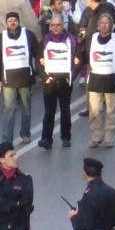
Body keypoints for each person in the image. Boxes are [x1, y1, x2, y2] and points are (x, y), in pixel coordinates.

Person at [0, 12, 39, 146]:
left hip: (25, 78)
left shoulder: (28, 35)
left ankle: (25, 133)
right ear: (6, 23)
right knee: (9, 109)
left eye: (15, 20)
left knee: (26, 108)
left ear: (19, 22)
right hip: (8, 79)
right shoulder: (0, 38)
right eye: (10, 20)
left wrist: (41, 71)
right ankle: (7, 139)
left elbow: (38, 54)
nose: (12, 23)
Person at [84, 11, 115, 149]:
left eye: (106, 23)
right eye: (101, 23)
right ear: (97, 26)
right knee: (95, 111)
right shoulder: (92, 38)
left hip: (111, 80)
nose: (103, 26)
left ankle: (109, 138)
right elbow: (85, 55)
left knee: (111, 112)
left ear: (111, 25)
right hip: (95, 80)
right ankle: (96, 137)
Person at [37, 11, 79, 148]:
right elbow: (38, 61)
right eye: (53, 25)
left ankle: (66, 137)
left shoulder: (71, 39)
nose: (55, 27)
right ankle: (46, 139)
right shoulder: (45, 40)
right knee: (49, 111)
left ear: (63, 25)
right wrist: (44, 77)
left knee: (65, 110)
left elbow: (78, 60)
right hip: (50, 79)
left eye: (58, 25)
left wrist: (71, 76)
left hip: (65, 80)